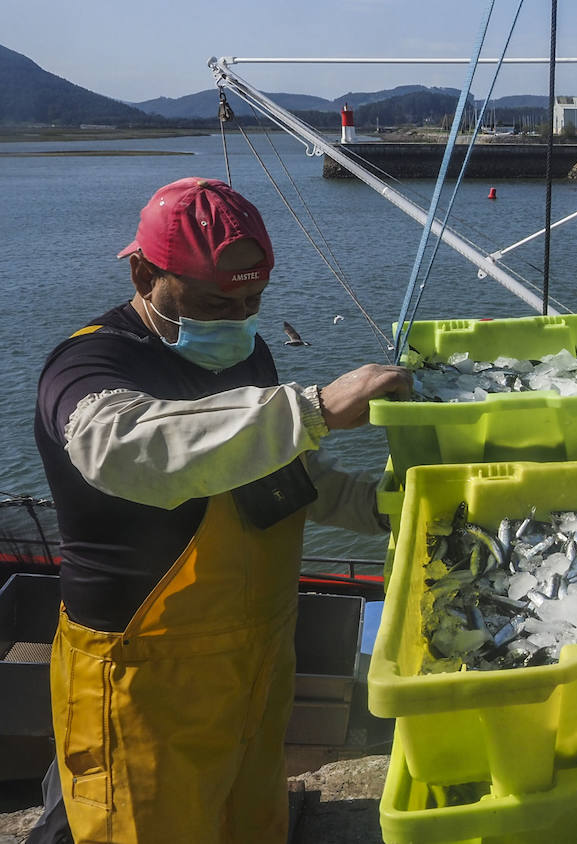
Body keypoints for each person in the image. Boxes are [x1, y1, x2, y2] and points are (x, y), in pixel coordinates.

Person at [28, 177, 411, 843]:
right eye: (214, 303)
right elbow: (124, 448)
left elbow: (279, 472)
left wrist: (386, 508)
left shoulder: (246, 351)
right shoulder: (89, 364)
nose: (237, 320)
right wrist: (313, 408)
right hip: (145, 679)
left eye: (253, 301)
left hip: (256, 663)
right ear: (146, 274)